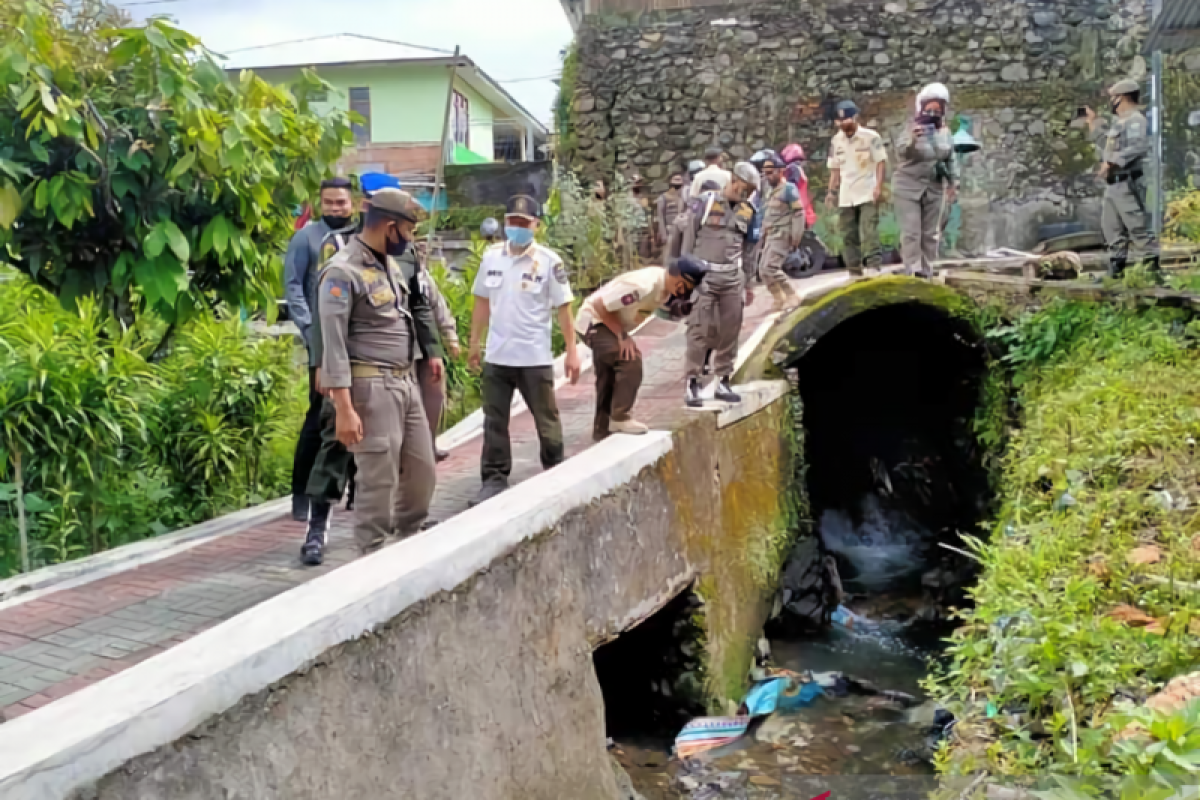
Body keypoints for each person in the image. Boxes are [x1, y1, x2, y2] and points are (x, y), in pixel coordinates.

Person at [300, 178, 445, 566]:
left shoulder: (391, 266)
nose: (410, 238)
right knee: (377, 480)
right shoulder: (342, 271)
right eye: (408, 230)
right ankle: (372, 558)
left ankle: (409, 541)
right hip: (369, 387)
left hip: (404, 381)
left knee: (421, 472)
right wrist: (344, 407)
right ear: (388, 225)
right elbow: (332, 341)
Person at [467, 193, 582, 507]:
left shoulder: (548, 261)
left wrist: (572, 352)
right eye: (511, 222)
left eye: (523, 223)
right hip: (497, 355)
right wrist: (474, 343)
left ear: (536, 226)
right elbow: (481, 301)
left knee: (546, 419)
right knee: (494, 421)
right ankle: (493, 478)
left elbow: (564, 308)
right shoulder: (492, 257)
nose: (516, 228)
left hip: (534, 356)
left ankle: (555, 469)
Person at [284, 177, 355, 522]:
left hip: (357, 342)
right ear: (321, 202)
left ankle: (355, 489)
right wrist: (310, 327)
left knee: (358, 411)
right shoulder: (306, 238)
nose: (335, 208)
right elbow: (293, 285)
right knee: (319, 416)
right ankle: (301, 493)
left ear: (351, 203)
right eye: (329, 202)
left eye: (341, 202)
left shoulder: (360, 237)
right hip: (321, 344)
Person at [576, 258, 709, 440]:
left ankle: (602, 431)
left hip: (605, 322)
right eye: (685, 287)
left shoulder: (663, 288)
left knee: (609, 376)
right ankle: (620, 417)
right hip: (593, 321)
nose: (685, 292)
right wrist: (622, 336)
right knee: (629, 359)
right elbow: (599, 305)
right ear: (676, 276)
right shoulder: (643, 286)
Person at [668, 161, 760, 408]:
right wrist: (684, 281)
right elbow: (688, 241)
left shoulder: (748, 211)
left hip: (732, 277)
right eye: (745, 187)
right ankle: (692, 381)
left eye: (751, 190)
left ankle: (723, 379)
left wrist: (749, 282)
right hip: (704, 276)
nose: (747, 193)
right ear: (734, 180)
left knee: (730, 329)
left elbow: (750, 250)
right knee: (699, 329)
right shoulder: (705, 203)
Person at [1086, 79, 1158, 278]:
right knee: (1112, 228)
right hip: (1113, 184)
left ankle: (1152, 273)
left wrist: (1112, 163)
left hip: (1127, 183)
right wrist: (1093, 125)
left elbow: (1137, 147)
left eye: (1113, 98)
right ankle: (1115, 272)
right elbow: (1107, 149)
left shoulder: (1136, 120)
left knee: (1138, 227)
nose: (1111, 102)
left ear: (1122, 98)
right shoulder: (1120, 122)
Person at [893, 83, 957, 279]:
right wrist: (913, 139)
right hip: (908, 186)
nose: (933, 113)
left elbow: (949, 157)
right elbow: (902, 153)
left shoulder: (945, 133)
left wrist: (954, 183)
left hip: (935, 186)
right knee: (912, 232)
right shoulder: (910, 128)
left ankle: (928, 270)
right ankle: (913, 269)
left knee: (931, 233)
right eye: (929, 109)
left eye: (938, 110)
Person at [826, 100, 888, 276]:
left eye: (846, 120)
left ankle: (874, 267)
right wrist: (831, 192)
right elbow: (835, 169)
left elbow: (880, 162)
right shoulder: (836, 141)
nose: (843, 124)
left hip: (867, 191)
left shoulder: (871, 137)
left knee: (869, 231)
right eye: (839, 121)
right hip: (846, 194)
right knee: (848, 235)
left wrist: (878, 186)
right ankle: (854, 271)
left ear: (855, 118)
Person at [757, 154, 806, 310]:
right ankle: (779, 297)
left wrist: (796, 237)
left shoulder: (789, 189)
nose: (767, 175)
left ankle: (792, 294)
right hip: (770, 234)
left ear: (781, 171)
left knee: (770, 268)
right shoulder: (769, 191)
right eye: (765, 172)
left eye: (771, 172)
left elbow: (798, 214)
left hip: (782, 233)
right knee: (763, 270)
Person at [779, 143, 817, 229]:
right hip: (804, 207)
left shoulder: (793, 168)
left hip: (797, 208)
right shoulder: (799, 168)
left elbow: (791, 189)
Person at [655, 174, 687, 255]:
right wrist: (663, 235)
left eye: (680, 180)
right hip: (670, 231)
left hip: (682, 232)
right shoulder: (663, 198)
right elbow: (660, 217)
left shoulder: (684, 197)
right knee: (668, 256)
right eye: (675, 180)